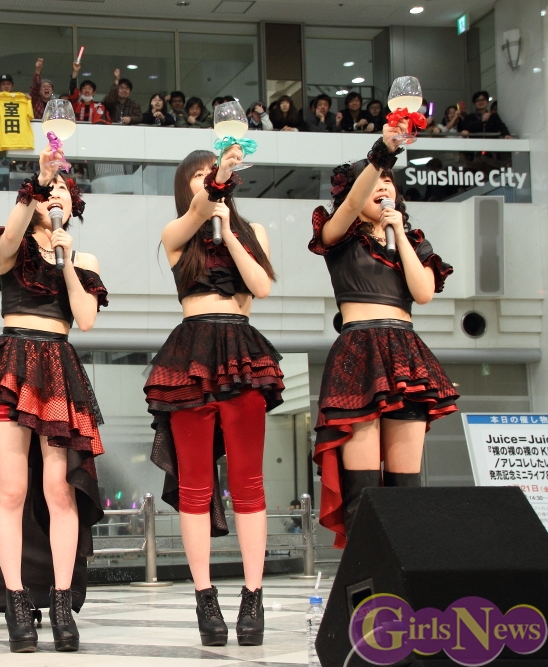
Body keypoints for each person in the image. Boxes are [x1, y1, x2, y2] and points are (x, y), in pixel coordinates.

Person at [0, 144, 108, 654]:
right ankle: (16, 601)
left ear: (75, 204)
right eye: (51, 190)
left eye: (64, 191)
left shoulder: (83, 259)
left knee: (59, 490)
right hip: (11, 363)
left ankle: (62, 603)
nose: (57, 197)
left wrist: (67, 262)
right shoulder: (12, 244)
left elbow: (85, 319)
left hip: (58, 368)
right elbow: (8, 240)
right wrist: (35, 184)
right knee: (11, 489)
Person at [145, 145, 282, 648]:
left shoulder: (252, 230)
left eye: (215, 172)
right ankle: (204, 596)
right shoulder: (177, 233)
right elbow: (199, 209)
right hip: (191, 353)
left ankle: (253, 595)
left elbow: (260, 288)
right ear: (186, 187)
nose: (208, 180)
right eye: (198, 175)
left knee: (249, 481)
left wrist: (231, 228)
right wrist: (213, 194)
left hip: (242, 350)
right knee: (196, 486)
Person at [308, 122, 457, 550]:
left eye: (389, 181)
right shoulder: (339, 234)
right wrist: (383, 152)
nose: (383, 186)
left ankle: (404, 575)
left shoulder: (411, 240)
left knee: (405, 487)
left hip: (405, 353)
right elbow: (353, 202)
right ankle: (362, 579)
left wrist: (401, 234)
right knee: (364, 487)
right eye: (375, 180)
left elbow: (423, 293)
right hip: (359, 350)